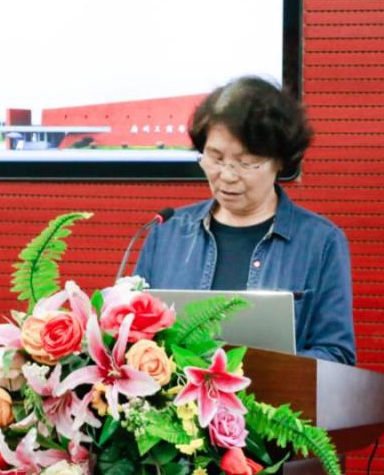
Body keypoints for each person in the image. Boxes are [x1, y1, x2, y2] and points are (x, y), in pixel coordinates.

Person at [134, 76, 356, 365]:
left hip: (273, 395)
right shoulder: (168, 233)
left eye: (246, 162)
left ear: (280, 161)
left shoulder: (320, 242)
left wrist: (251, 371)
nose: (227, 175)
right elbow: (129, 333)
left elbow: (336, 356)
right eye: (215, 158)